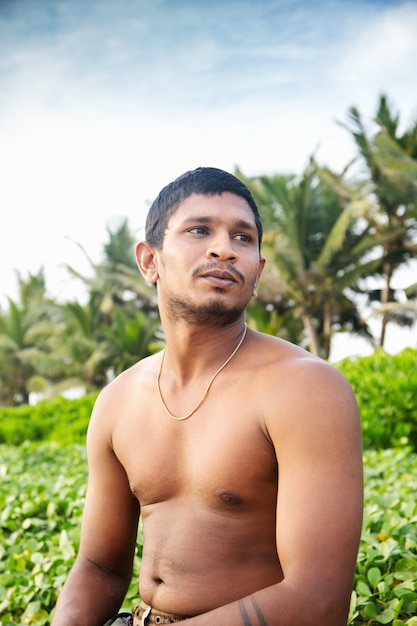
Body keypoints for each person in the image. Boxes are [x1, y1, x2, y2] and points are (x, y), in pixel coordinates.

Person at [52, 167, 363, 626]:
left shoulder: (305, 389)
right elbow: (98, 566)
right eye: (200, 230)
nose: (224, 248)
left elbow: (317, 599)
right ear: (149, 261)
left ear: (257, 273)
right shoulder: (117, 401)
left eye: (243, 237)